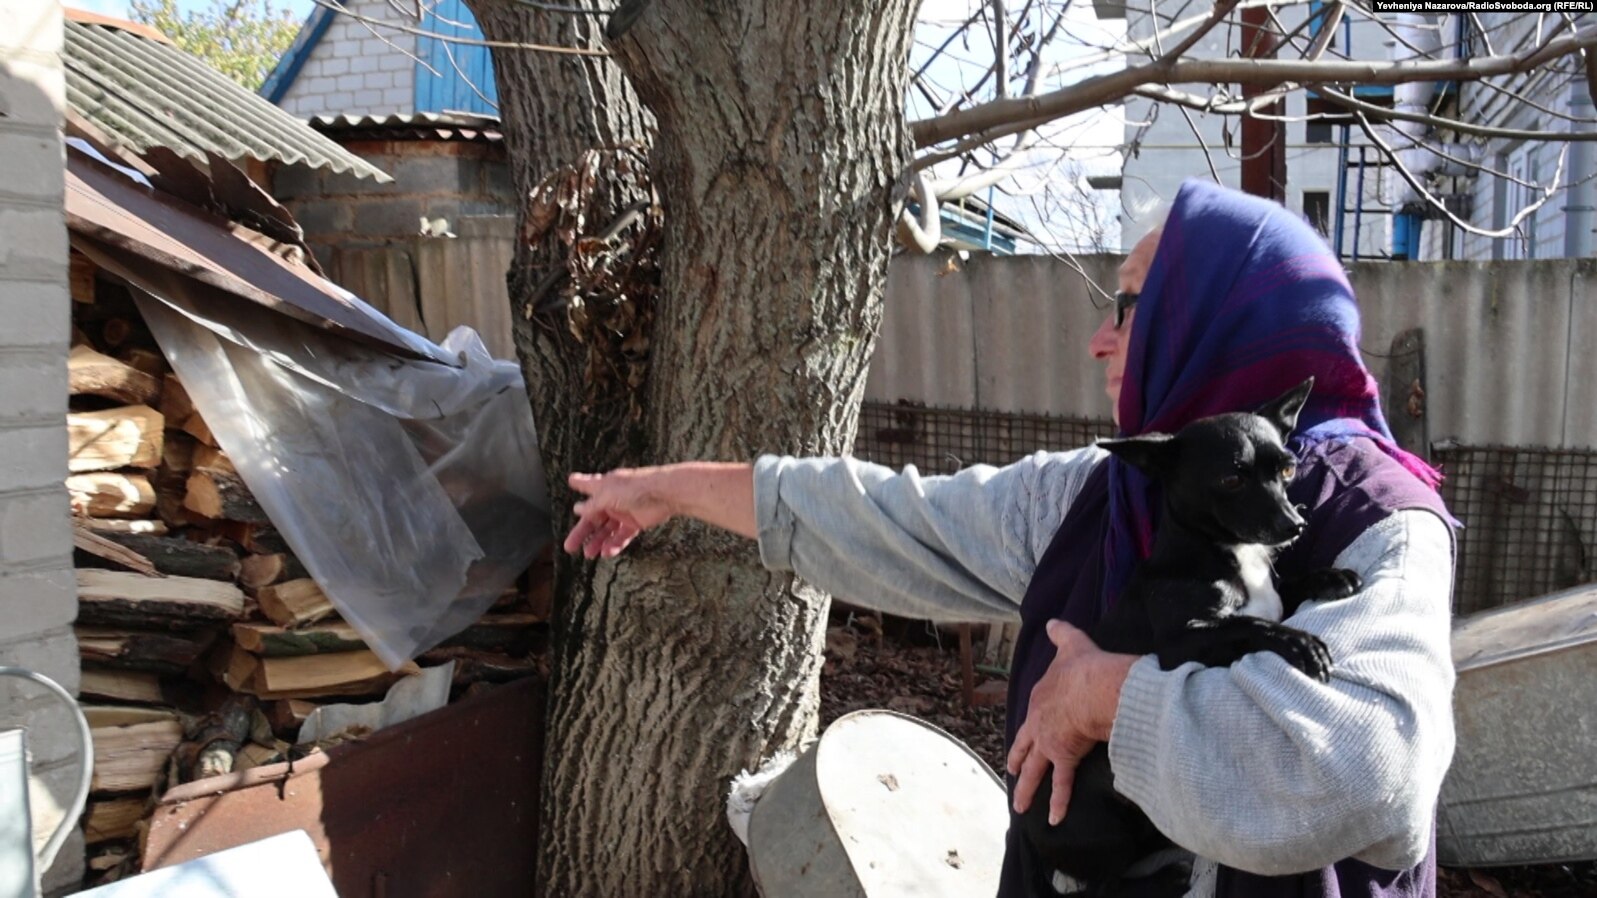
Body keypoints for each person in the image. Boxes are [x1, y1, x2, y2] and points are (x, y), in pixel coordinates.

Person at [562, 179, 1457, 898]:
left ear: (1215, 319)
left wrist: (1107, 697)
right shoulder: (1108, 493)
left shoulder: (1377, 520)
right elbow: (889, 518)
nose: (1098, 340)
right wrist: (662, 491)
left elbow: (1358, 768)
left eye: (1130, 304)